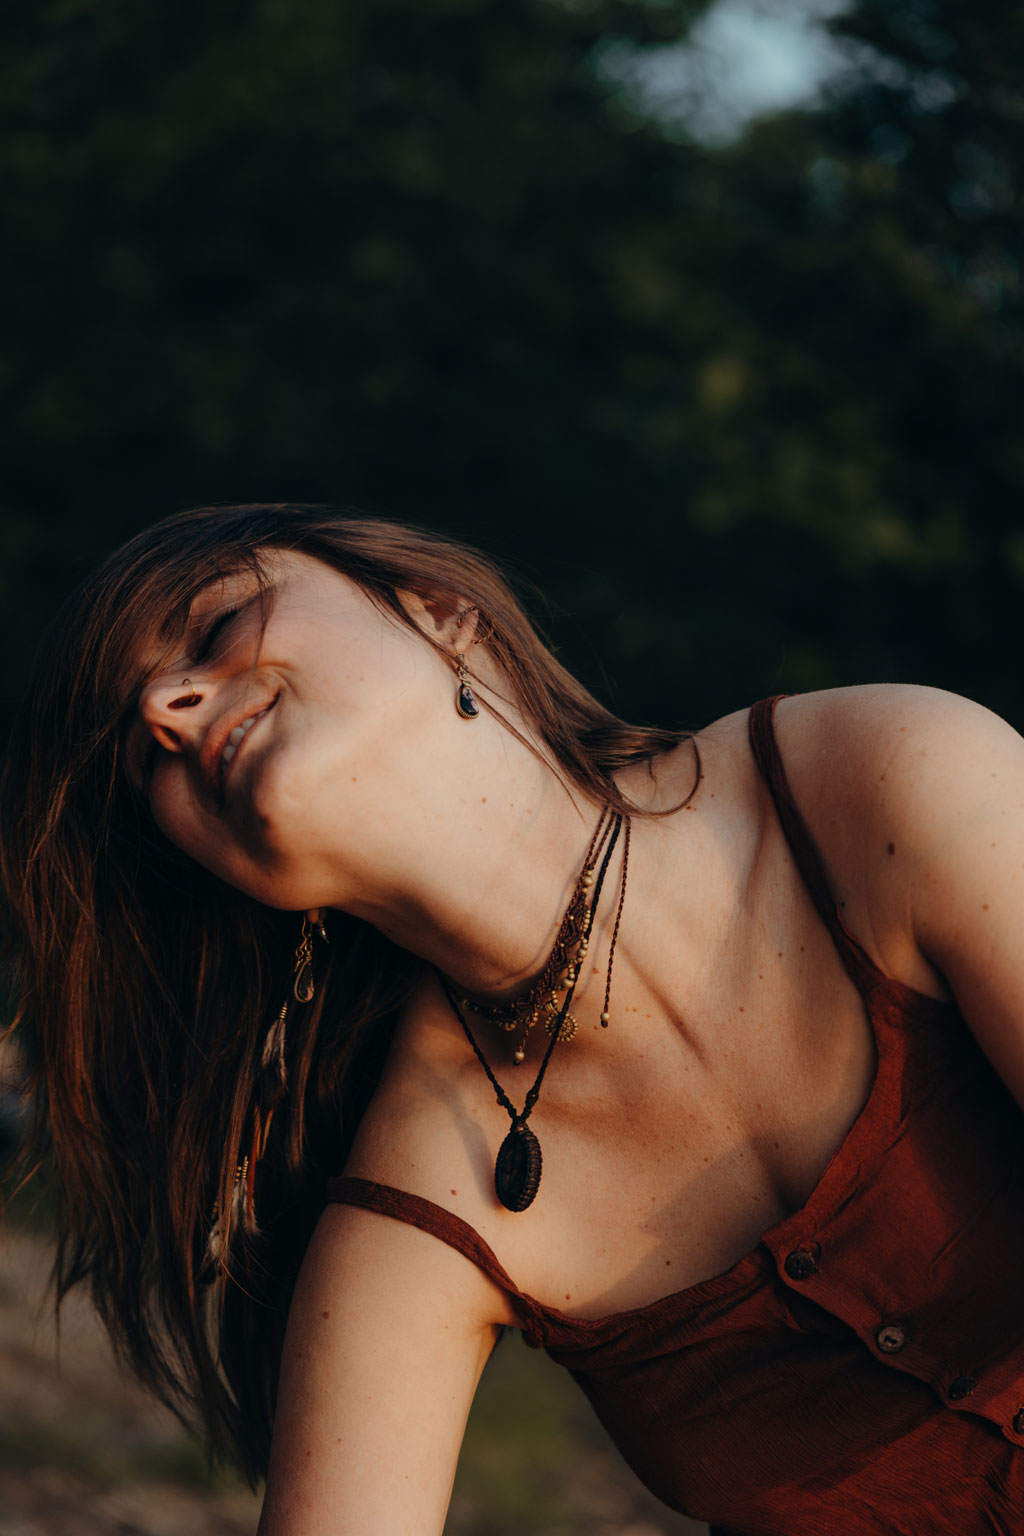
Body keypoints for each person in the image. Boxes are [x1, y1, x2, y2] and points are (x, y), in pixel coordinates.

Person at [2, 502, 1023, 1536]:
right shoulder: (415, 1215)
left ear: (441, 610)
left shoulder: (884, 779)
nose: (170, 710)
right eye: (146, 759)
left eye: (215, 626)